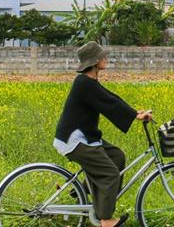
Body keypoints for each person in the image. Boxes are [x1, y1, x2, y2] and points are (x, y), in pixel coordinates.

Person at [54, 42, 152, 227]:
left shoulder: (90, 82)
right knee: (110, 174)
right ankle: (106, 219)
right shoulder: (84, 82)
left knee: (117, 156)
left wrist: (134, 112)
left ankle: (82, 193)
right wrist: (134, 115)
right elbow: (108, 104)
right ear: (94, 61)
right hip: (74, 140)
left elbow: (110, 97)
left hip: (84, 136)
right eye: (102, 56)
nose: (105, 58)